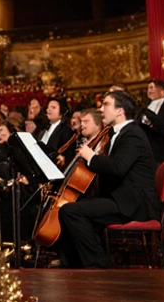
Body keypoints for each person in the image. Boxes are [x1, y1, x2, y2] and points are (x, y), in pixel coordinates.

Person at [55, 91, 158, 269]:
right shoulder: (116, 134)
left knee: (71, 212)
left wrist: (91, 157)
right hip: (121, 198)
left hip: (134, 203)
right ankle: (74, 264)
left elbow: (118, 167)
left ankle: (99, 264)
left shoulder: (133, 133)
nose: (101, 109)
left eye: (106, 105)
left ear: (120, 110)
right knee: (70, 209)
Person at [140, 80, 164, 164]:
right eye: (148, 88)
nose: (150, 91)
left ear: (163, 91)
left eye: (152, 87)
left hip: (163, 147)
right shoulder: (146, 105)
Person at [37, 98, 73, 162]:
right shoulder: (43, 127)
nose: (48, 110)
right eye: (48, 107)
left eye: (53, 108)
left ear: (62, 111)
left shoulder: (66, 131)